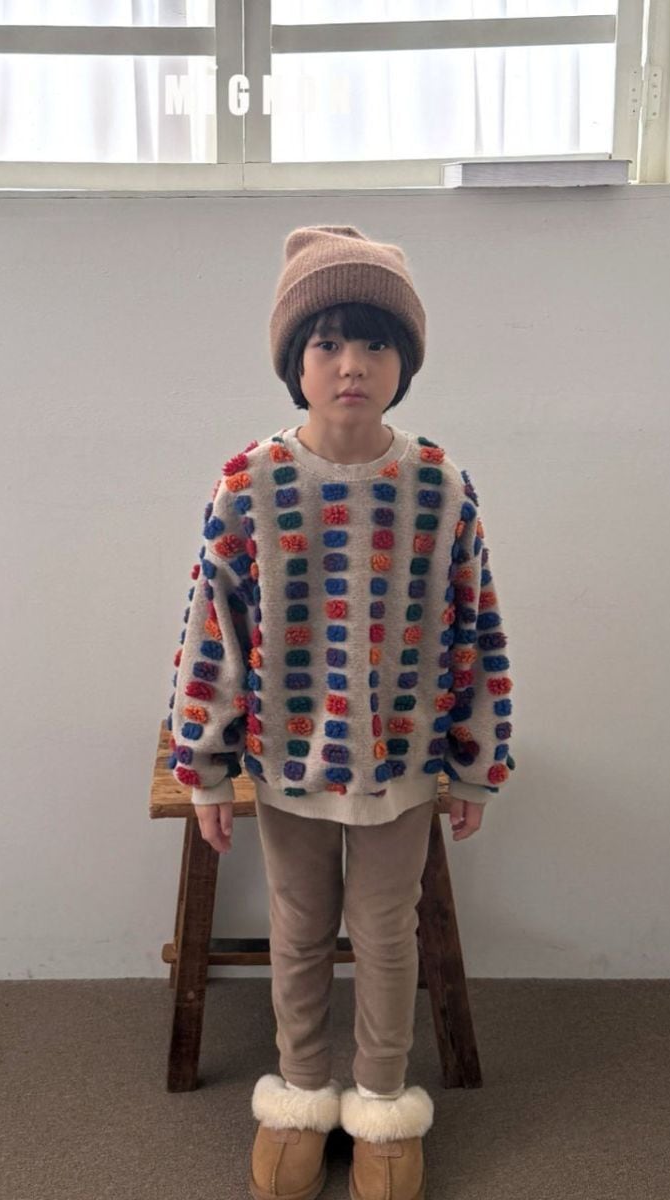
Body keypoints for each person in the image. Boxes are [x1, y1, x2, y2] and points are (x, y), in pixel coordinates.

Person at [163, 225, 516, 1200]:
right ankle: (301, 1093)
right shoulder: (250, 483)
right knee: (300, 926)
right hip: (289, 760)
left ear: (404, 361)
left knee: (388, 930)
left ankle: (383, 1103)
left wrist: (477, 761)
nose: (352, 364)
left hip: (402, 762)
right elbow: (211, 630)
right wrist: (205, 767)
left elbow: (477, 625)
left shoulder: (440, 485)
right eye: (327, 343)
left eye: (374, 342)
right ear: (296, 360)